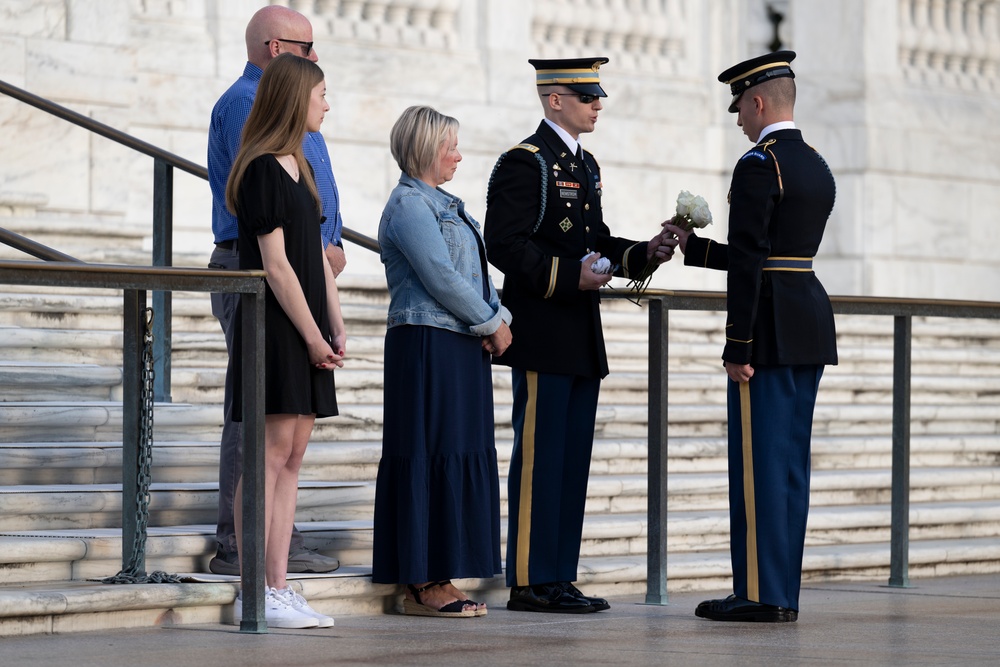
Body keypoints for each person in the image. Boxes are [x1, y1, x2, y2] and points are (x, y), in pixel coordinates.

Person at [484, 57, 677, 614]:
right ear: (553, 100)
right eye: (586, 95)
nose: (597, 104)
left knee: (571, 462)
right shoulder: (526, 162)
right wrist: (572, 276)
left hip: (579, 333)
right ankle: (528, 579)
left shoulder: (584, 164)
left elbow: (595, 239)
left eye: (598, 96)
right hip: (543, 329)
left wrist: (644, 253)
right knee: (540, 458)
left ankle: (558, 575)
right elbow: (505, 244)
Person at [664, 50, 838, 623]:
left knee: (760, 467)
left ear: (759, 102)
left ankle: (760, 595)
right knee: (788, 467)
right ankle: (779, 590)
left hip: (766, 329)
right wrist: (698, 250)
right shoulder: (814, 162)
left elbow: (752, 266)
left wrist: (736, 346)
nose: (737, 117)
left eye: (739, 106)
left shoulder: (759, 163)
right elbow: (771, 252)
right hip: (807, 322)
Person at [207, 4, 344, 577]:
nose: (316, 59)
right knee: (258, 424)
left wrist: (327, 259)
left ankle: (273, 557)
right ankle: (244, 551)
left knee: (284, 442)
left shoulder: (293, 140)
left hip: (305, 279)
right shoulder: (248, 105)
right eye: (307, 49)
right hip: (260, 276)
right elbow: (271, 235)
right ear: (275, 49)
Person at [371, 106, 510, 618]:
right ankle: (423, 580)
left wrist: (498, 314)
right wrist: (493, 322)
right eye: (450, 145)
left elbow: (474, 277)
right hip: (426, 342)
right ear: (427, 148)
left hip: (459, 339)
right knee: (429, 451)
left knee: (457, 450)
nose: (458, 154)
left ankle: (444, 572)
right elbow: (441, 276)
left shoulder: (448, 204)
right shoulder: (409, 205)